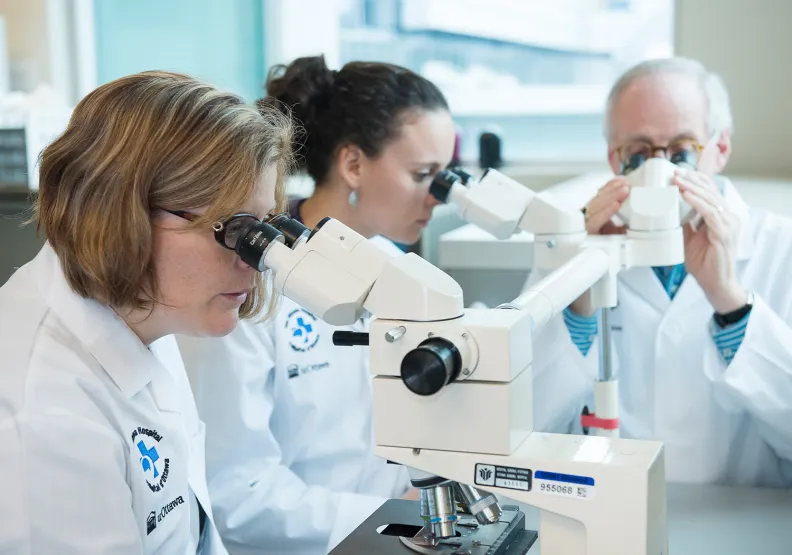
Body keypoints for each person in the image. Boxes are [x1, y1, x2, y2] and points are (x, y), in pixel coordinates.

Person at [0, 71, 293, 554]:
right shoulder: (47, 420)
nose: (254, 259)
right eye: (236, 230)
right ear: (119, 210)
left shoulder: (142, 313)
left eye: (263, 227)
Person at [176, 55, 456, 555]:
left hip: (397, 530)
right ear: (352, 164)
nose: (439, 196)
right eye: (423, 174)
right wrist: (392, 519)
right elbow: (237, 493)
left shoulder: (404, 276)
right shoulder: (243, 280)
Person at [530, 57, 792, 488]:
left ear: (720, 149)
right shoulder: (576, 251)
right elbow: (525, 423)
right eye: (639, 154)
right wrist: (579, 290)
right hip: (609, 509)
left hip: (744, 513)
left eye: (682, 152)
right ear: (615, 161)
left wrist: (729, 301)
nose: (661, 171)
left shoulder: (778, 247)